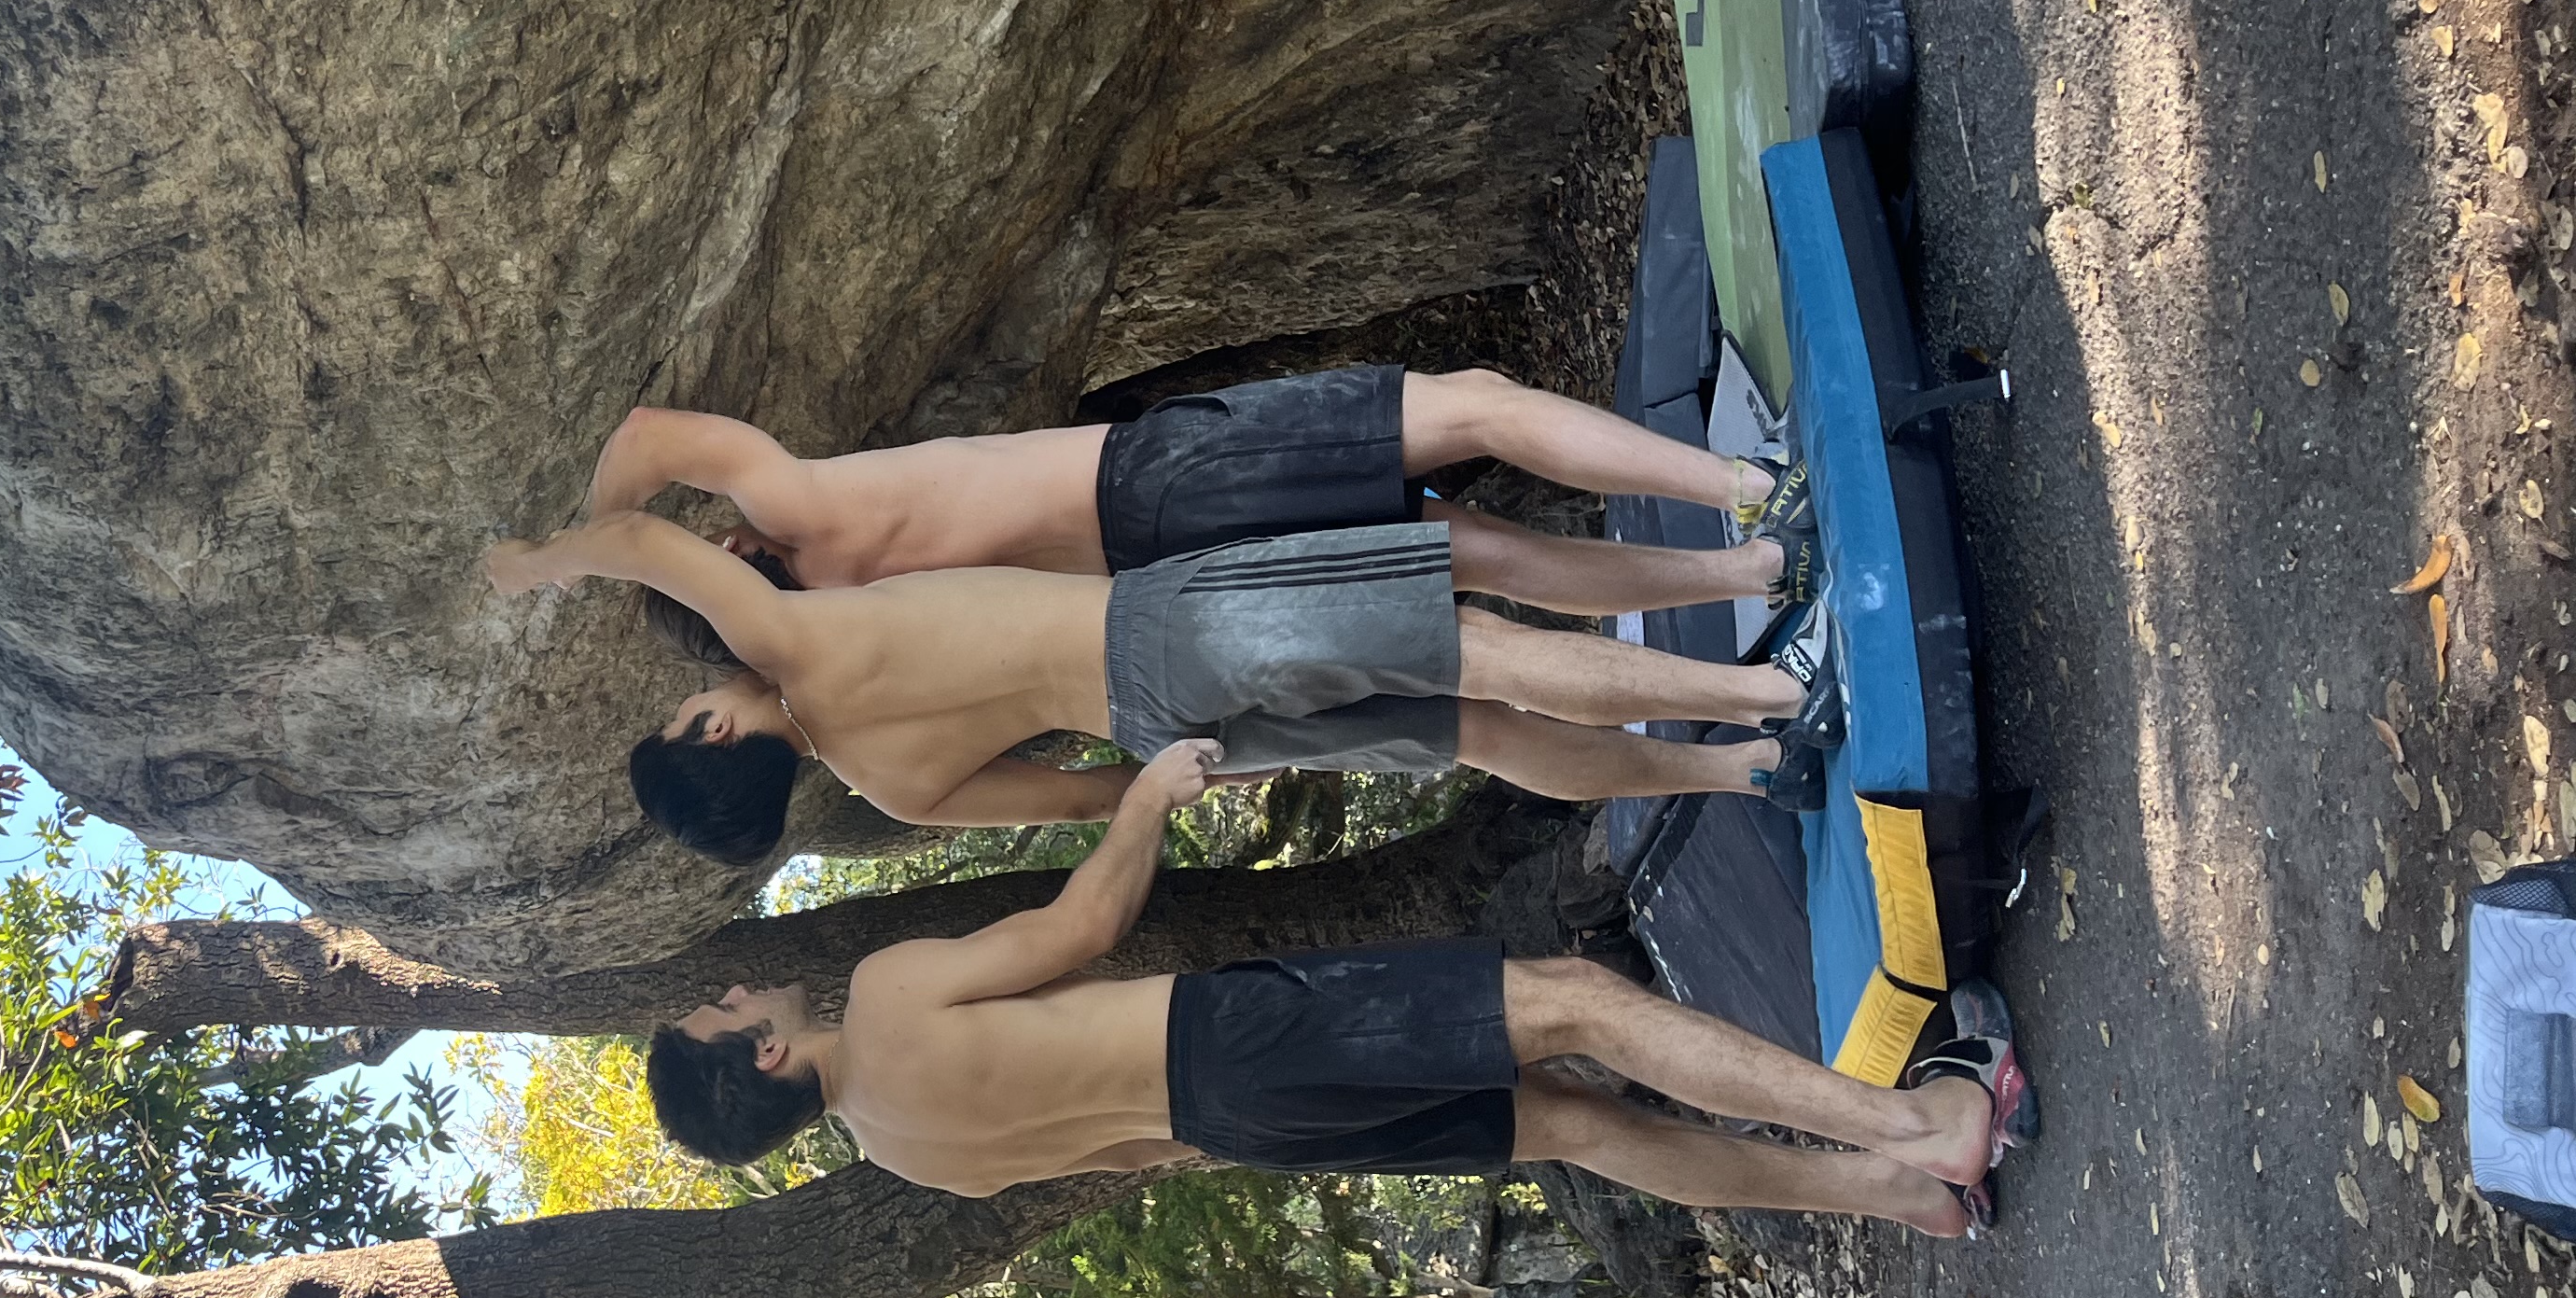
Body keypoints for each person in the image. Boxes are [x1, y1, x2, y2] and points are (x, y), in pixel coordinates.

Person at [644, 741, 2036, 1235]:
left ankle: (1901, 1199)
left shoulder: (909, 1153)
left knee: (1571, 1123)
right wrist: (1145, 797)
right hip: (1236, 1039)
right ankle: (1923, 1127)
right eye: (730, 1010)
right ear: (761, 1058)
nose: (748, 985)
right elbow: (1082, 923)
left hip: (1240, 1127)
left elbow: (1128, 1154)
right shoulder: (883, 999)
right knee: (1570, 1002)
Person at [480, 503, 1830, 867]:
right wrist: (536, 562)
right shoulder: (791, 638)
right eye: (687, 711)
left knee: (1472, 730)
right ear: (716, 730)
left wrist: (1166, 757)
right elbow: (643, 538)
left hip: (1164, 730)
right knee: (1464, 641)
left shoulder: (888, 787)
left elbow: (1085, 803)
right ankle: (1776, 694)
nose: (701, 690)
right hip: (1165, 630)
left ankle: (1745, 772)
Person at [580, 369, 1803, 671]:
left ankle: (1754, 572)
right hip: (1157, 474)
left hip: (1167, 574)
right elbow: (646, 435)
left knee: (1475, 556)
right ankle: (1749, 491)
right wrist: (590, 540)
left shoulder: (854, 628)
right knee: (1473, 407)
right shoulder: (795, 504)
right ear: (721, 557)